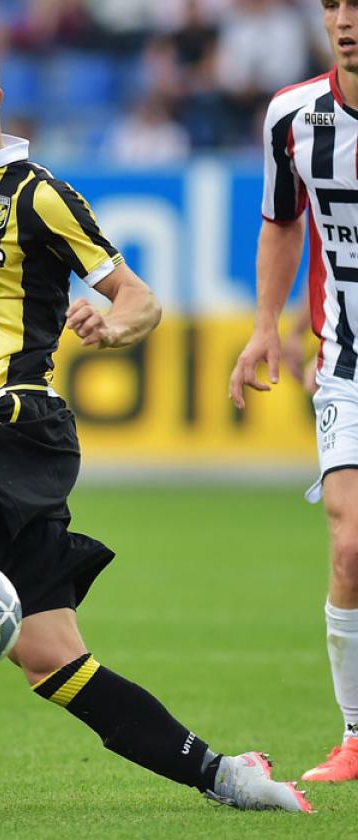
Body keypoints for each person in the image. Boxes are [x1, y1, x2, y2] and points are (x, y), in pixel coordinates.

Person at [0, 22, 310, 814]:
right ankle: (228, 776)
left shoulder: (39, 195)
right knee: (54, 662)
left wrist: (111, 327)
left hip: (17, 417)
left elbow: (140, 298)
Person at [229, 0, 358, 785]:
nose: (345, 19)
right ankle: (356, 738)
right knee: (350, 546)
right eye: (333, 3)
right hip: (347, 361)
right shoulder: (294, 116)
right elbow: (282, 223)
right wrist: (264, 327)